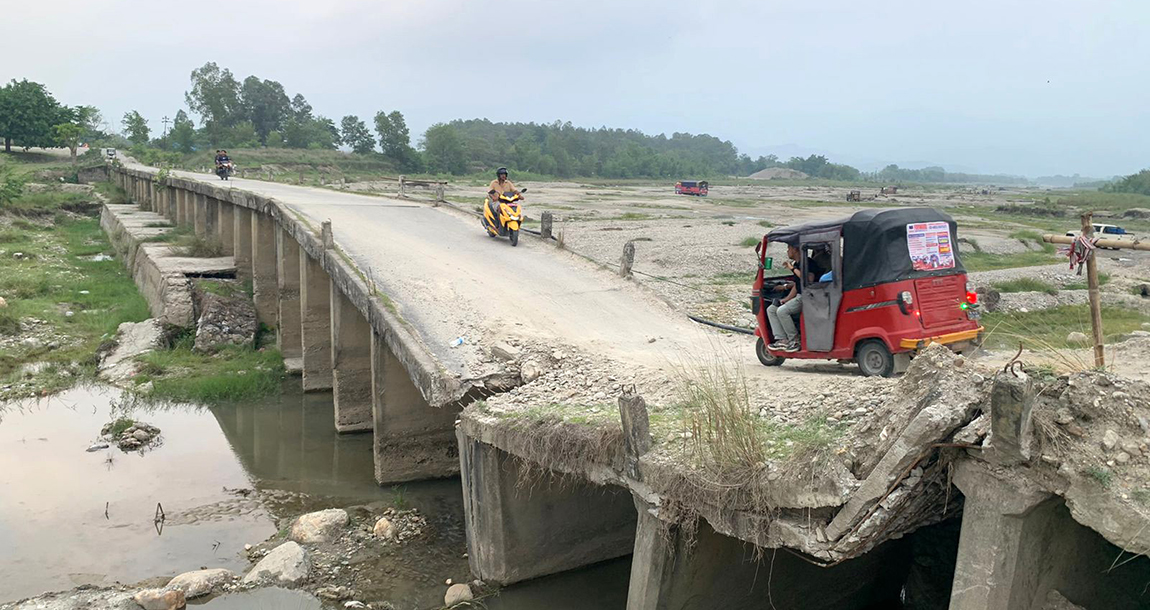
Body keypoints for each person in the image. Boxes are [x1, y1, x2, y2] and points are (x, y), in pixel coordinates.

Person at [766, 244, 807, 352]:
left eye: (789, 248)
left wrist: (792, 268)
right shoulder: (797, 264)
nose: (787, 251)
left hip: (807, 297)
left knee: (782, 311)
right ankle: (782, 339)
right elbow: (797, 285)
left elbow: (807, 278)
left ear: (795, 249)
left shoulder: (807, 263)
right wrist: (787, 299)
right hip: (799, 296)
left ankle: (794, 340)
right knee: (771, 310)